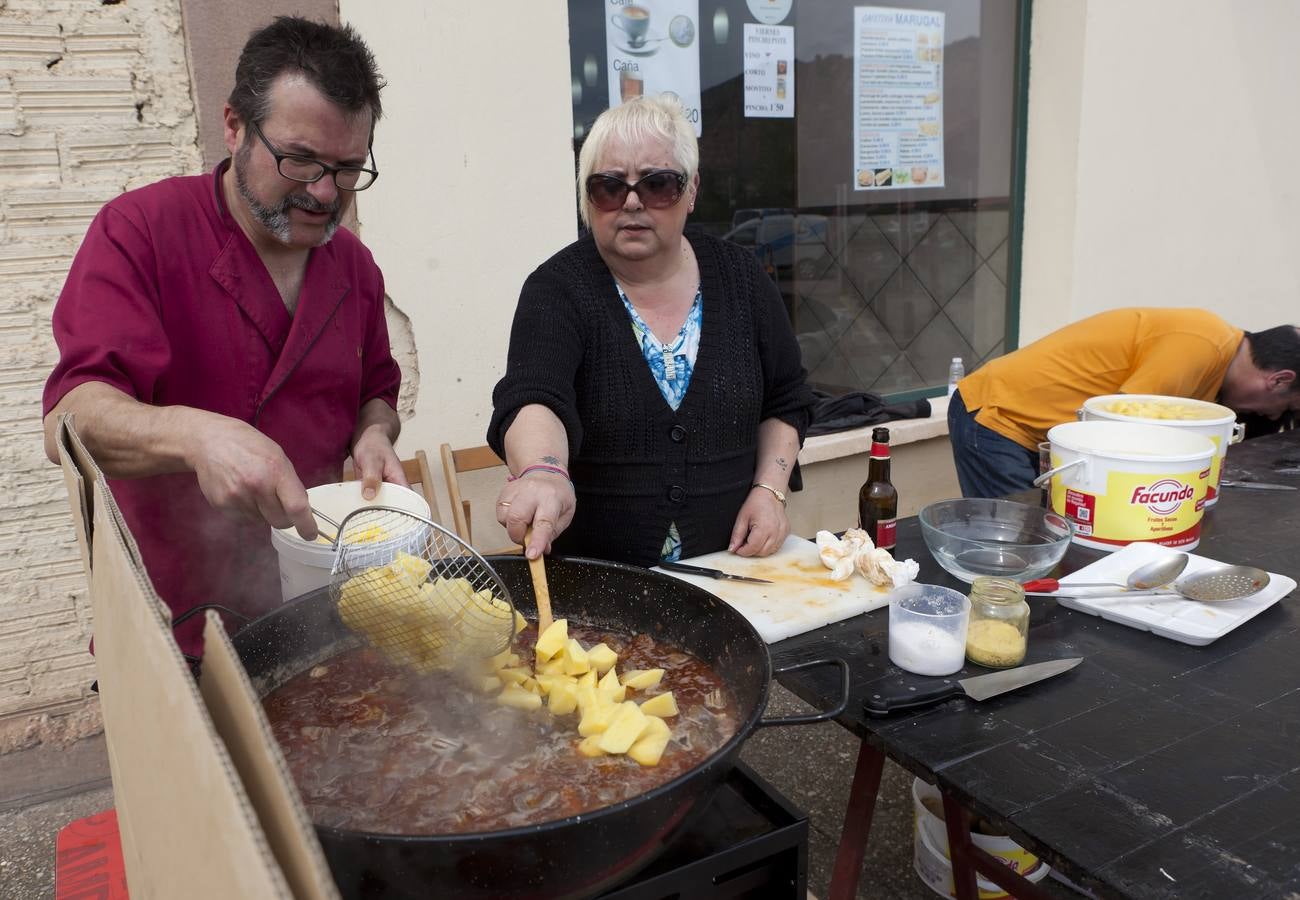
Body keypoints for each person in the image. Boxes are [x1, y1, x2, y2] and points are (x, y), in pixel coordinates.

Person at [41, 17, 405, 660]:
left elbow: (376, 388)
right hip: (177, 621)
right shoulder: (141, 231)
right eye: (300, 160)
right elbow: (70, 420)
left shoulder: (355, 267)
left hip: (323, 611)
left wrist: (373, 434)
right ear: (234, 126)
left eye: (347, 169)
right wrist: (198, 435)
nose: (325, 193)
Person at [488, 96, 814, 566]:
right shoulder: (557, 289)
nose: (633, 201)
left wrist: (770, 490)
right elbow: (535, 396)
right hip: (601, 587)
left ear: (692, 189)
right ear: (586, 198)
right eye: (609, 187)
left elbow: (787, 399)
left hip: (735, 573)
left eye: (658, 184)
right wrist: (543, 470)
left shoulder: (743, 279)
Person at [949, 308, 1300, 498]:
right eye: (1284, 408)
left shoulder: (1214, 363)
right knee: (1016, 545)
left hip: (1040, 431)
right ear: (1279, 379)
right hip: (996, 416)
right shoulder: (1200, 346)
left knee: (1043, 534)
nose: (1269, 415)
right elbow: (1117, 436)